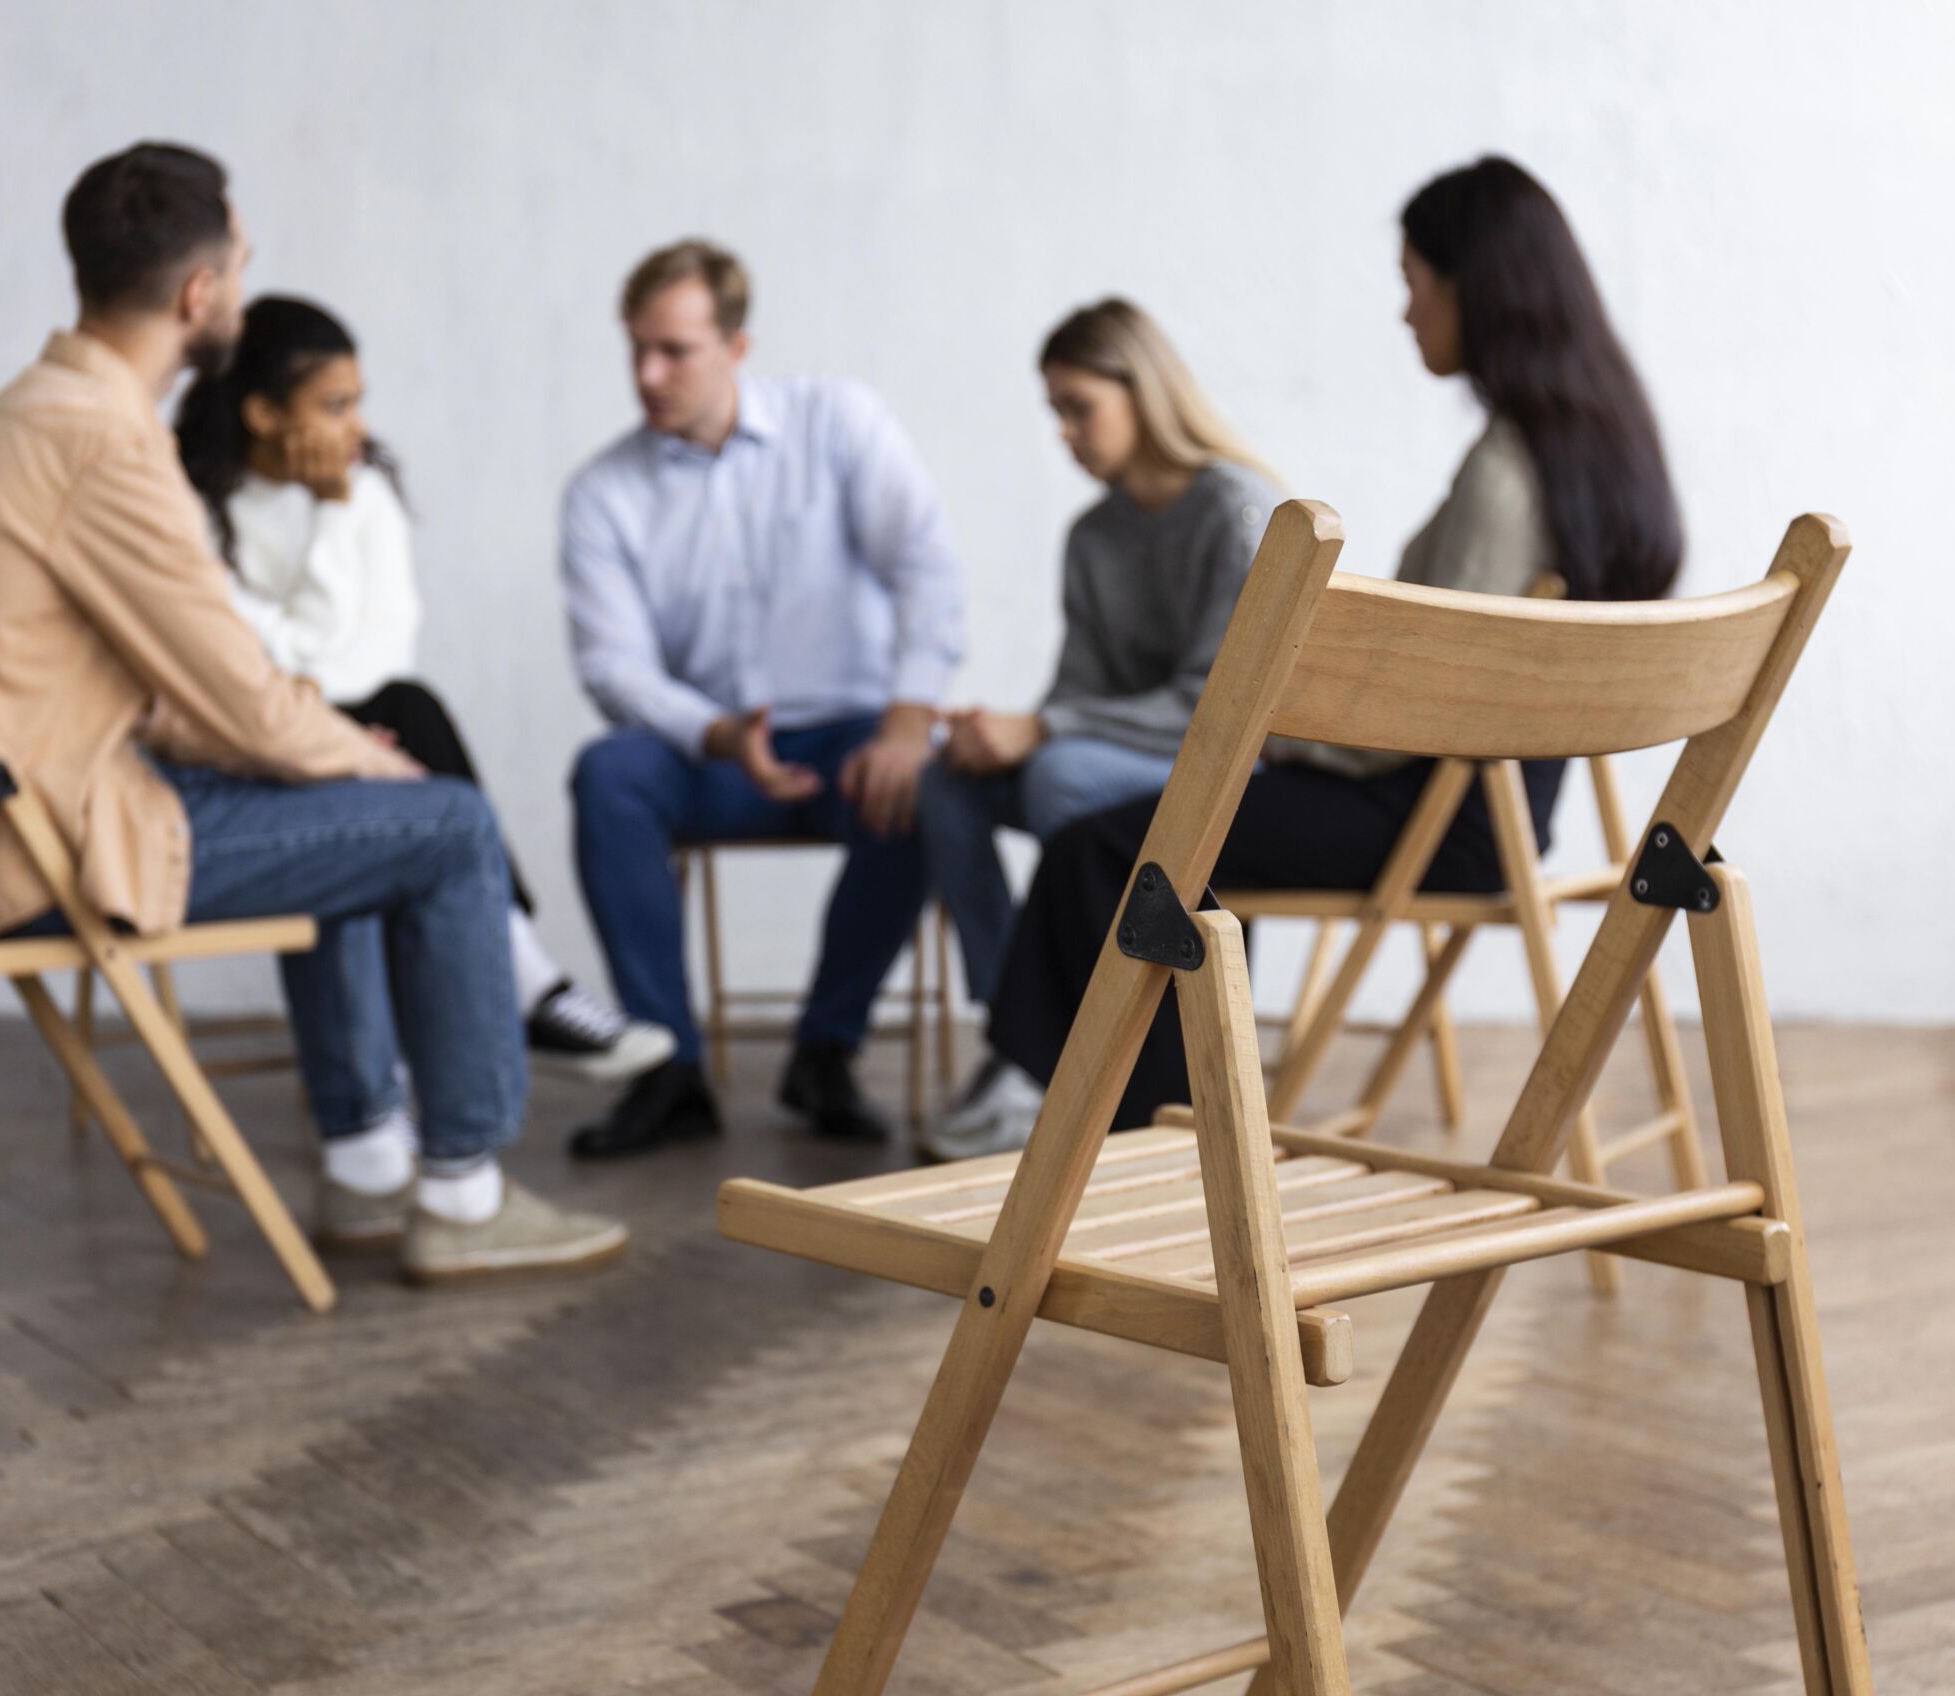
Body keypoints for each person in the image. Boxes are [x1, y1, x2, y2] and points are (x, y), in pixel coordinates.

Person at [0, 142, 624, 1281]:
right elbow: (239, 697)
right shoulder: (104, 442)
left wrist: (327, 752)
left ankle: (367, 1164)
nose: (246, 291)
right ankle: (462, 1195)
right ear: (198, 294)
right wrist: (366, 763)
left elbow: (169, 690)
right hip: (44, 851)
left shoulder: (17, 416)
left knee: (335, 787)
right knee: (448, 824)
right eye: (243, 265)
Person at [985, 155, 1687, 1137]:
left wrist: (1287, 734)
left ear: (1473, 290)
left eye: (1415, 285)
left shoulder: (1503, 475)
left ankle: (1135, 1127)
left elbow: (1433, 704)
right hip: (1508, 809)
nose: (1406, 314)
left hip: (1442, 813)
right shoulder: (1595, 449)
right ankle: (1127, 1113)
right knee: (1145, 834)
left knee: (1113, 847)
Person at [172, 294, 674, 1087]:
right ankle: (528, 983)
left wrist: (330, 701)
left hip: (366, 724)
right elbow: (257, 663)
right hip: (255, 743)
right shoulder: (198, 511)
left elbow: (376, 649)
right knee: (405, 728)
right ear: (264, 413)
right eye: (334, 405)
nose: (357, 428)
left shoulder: (365, 491)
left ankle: (472, 1022)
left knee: (407, 707)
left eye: (359, 401)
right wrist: (328, 535)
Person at [560, 238, 966, 1158]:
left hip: (850, 738)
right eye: (636, 349)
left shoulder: (841, 422)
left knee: (924, 782)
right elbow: (613, 667)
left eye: (674, 350)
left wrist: (908, 722)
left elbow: (927, 569)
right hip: (711, 750)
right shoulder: (603, 492)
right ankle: (667, 1068)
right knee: (608, 774)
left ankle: (827, 1048)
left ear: (737, 347)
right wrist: (712, 732)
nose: (648, 373)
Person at [917, 300, 1282, 1160]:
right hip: (1114, 756)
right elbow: (1079, 690)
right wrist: (1008, 731)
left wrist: (1040, 728)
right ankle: (1022, 1035)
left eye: (1079, 406)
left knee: (1057, 778)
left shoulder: (1233, 511)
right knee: (944, 779)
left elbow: (1218, 701)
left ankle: (1071, 1044)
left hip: (1228, 762)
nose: (1066, 433)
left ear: (1142, 391)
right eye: (1056, 411)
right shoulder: (1091, 536)